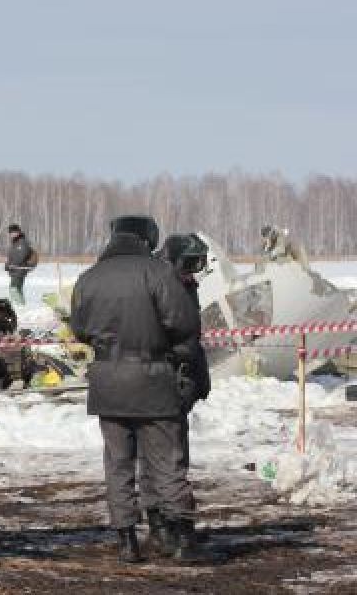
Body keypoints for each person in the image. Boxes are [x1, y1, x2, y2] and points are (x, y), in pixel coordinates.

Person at [70, 215, 208, 564]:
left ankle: (127, 540)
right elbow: (184, 325)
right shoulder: (159, 274)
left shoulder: (88, 278)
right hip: (153, 380)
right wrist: (175, 360)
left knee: (118, 464)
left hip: (107, 382)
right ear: (148, 239)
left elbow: (80, 330)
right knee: (166, 461)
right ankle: (182, 540)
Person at [146, 233, 212, 555]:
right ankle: (168, 527)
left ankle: (168, 526)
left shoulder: (185, 287)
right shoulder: (157, 286)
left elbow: (193, 337)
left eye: (198, 265)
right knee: (162, 458)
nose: (193, 271)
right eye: (189, 264)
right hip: (161, 380)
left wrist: (200, 379)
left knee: (170, 457)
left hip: (179, 381)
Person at [4, 224, 37, 305]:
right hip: (15, 270)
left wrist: (11, 265)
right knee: (15, 289)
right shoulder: (14, 243)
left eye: (14, 232)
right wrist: (7, 265)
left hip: (21, 269)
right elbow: (11, 256)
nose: (12, 234)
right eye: (10, 233)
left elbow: (21, 256)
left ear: (18, 232)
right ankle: (20, 305)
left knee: (14, 289)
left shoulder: (22, 242)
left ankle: (20, 305)